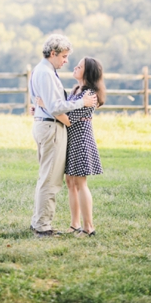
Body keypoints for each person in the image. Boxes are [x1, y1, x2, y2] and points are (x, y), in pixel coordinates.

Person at [29, 34, 98, 238]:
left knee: (47, 178)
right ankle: (42, 226)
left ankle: (39, 222)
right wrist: (80, 104)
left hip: (46, 124)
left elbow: (46, 103)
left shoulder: (40, 70)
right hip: (51, 128)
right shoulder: (46, 73)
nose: (66, 61)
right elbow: (56, 106)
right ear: (53, 53)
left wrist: (42, 108)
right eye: (65, 56)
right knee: (51, 180)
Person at [61, 57, 106, 237]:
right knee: (70, 182)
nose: (75, 67)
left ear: (87, 73)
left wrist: (47, 108)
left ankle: (89, 227)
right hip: (72, 141)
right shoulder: (76, 90)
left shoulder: (90, 95)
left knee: (80, 183)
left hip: (81, 141)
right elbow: (64, 109)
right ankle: (74, 225)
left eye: (79, 66)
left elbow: (69, 119)